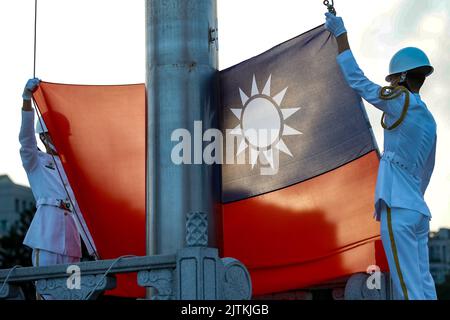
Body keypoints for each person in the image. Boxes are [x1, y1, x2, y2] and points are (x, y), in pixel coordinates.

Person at [325, 13, 437, 300]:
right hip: (418, 210)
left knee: (407, 289)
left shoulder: (400, 101)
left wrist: (341, 35)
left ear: (400, 77)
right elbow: (427, 171)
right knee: (424, 286)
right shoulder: (429, 120)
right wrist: (412, 196)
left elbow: (358, 82)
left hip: (398, 206)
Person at [20, 78, 97, 299]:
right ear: (44, 137)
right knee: (47, 293)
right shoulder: (36, 161)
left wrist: (92, 248)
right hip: (46, 238)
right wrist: (26, 101)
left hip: (72, 241)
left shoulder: (73, 169)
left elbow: (81, 211)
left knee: (73, 294)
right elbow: (25, 141)